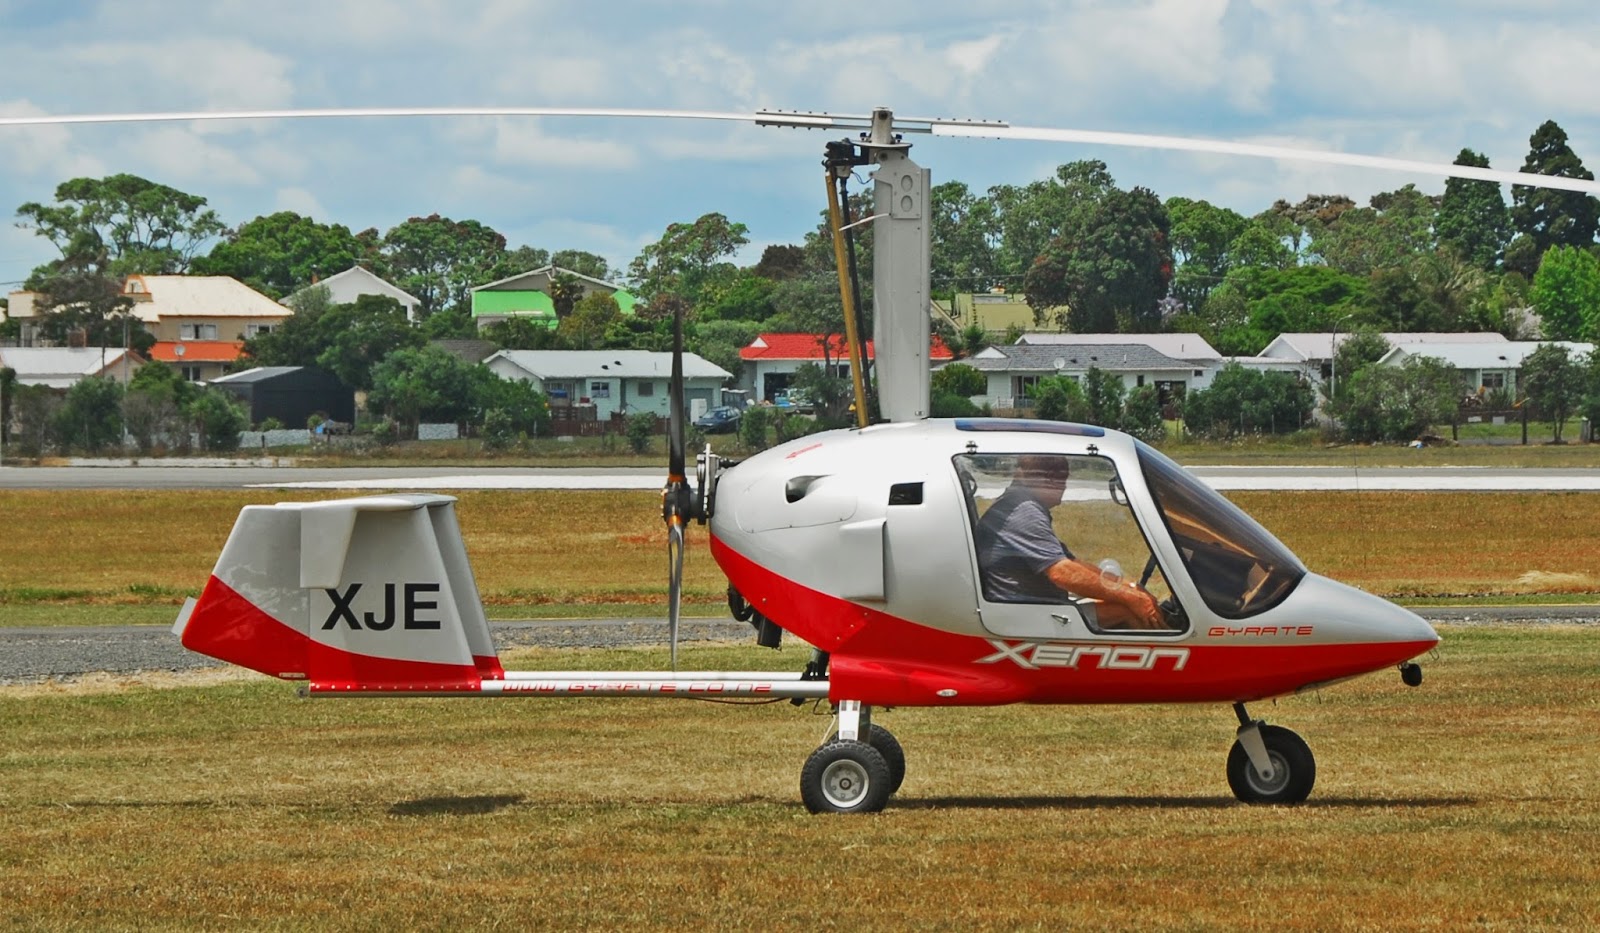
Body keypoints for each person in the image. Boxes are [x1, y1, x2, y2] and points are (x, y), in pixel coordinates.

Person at [974, 454, 1166, 630]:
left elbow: (1072, 563)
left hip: (1038, 608)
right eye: (1062, 480)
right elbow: (1062, 573)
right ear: (1048, 480)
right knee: (1129, 611)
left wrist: (1126, 585)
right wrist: (1132, 598)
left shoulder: (1020, 505)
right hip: (1029, 618)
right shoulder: (1024, 511)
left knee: (1124, 601)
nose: (1064, 487)